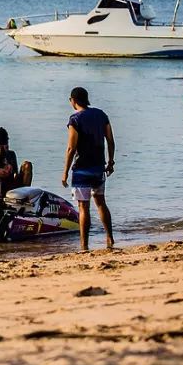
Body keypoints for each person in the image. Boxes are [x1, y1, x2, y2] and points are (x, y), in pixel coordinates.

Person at [62, 86, 115, 251]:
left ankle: (84, 245)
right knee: (101, 203)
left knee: (83, 207)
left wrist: (65, 172)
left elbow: (71, 148)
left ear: (73, 101)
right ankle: (110, 238)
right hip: (98, 167)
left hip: (82, 169)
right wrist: (110, 161)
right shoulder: (101, 115)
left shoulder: (75, 120)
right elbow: (110, 141)